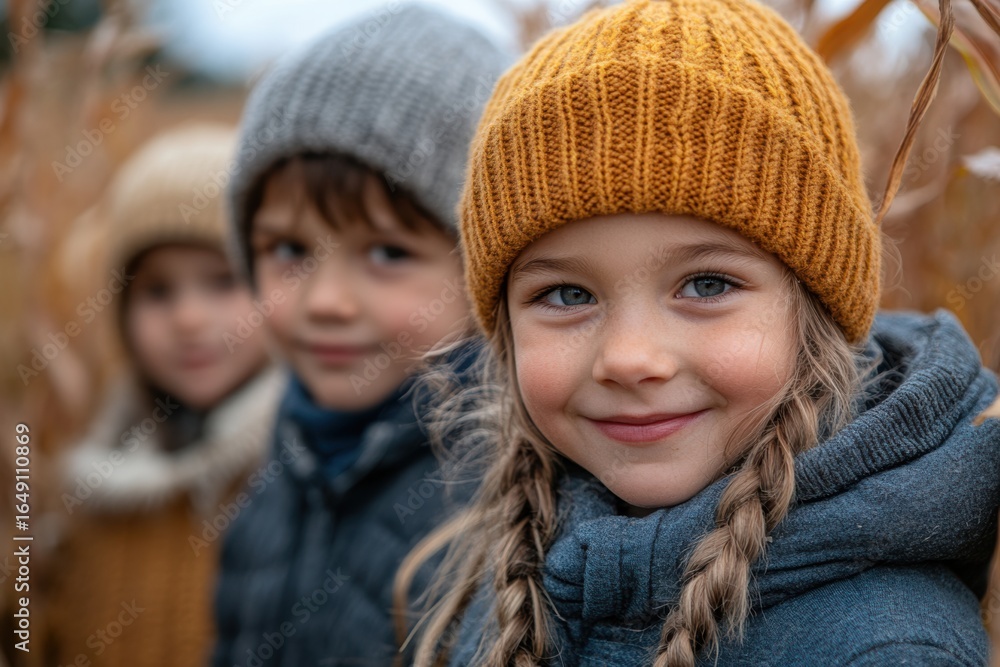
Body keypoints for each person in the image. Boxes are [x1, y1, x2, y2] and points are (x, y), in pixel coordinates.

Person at [400, 1, 1000, 664]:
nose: (629, 358)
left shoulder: (885, 646)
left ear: (815, 309)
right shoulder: (517, 563)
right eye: (567, 294)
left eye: (707, 285)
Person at [211, 5, 510, 665]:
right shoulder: (278, 468)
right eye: (289, 248)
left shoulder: (502, 512)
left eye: (388, 253)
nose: (326, 301)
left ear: (482, 269)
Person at [42, 124, 281, 667]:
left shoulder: (302, 470)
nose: (189, 319)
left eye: (222, 281)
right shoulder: (91, 485)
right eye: (157, 290)